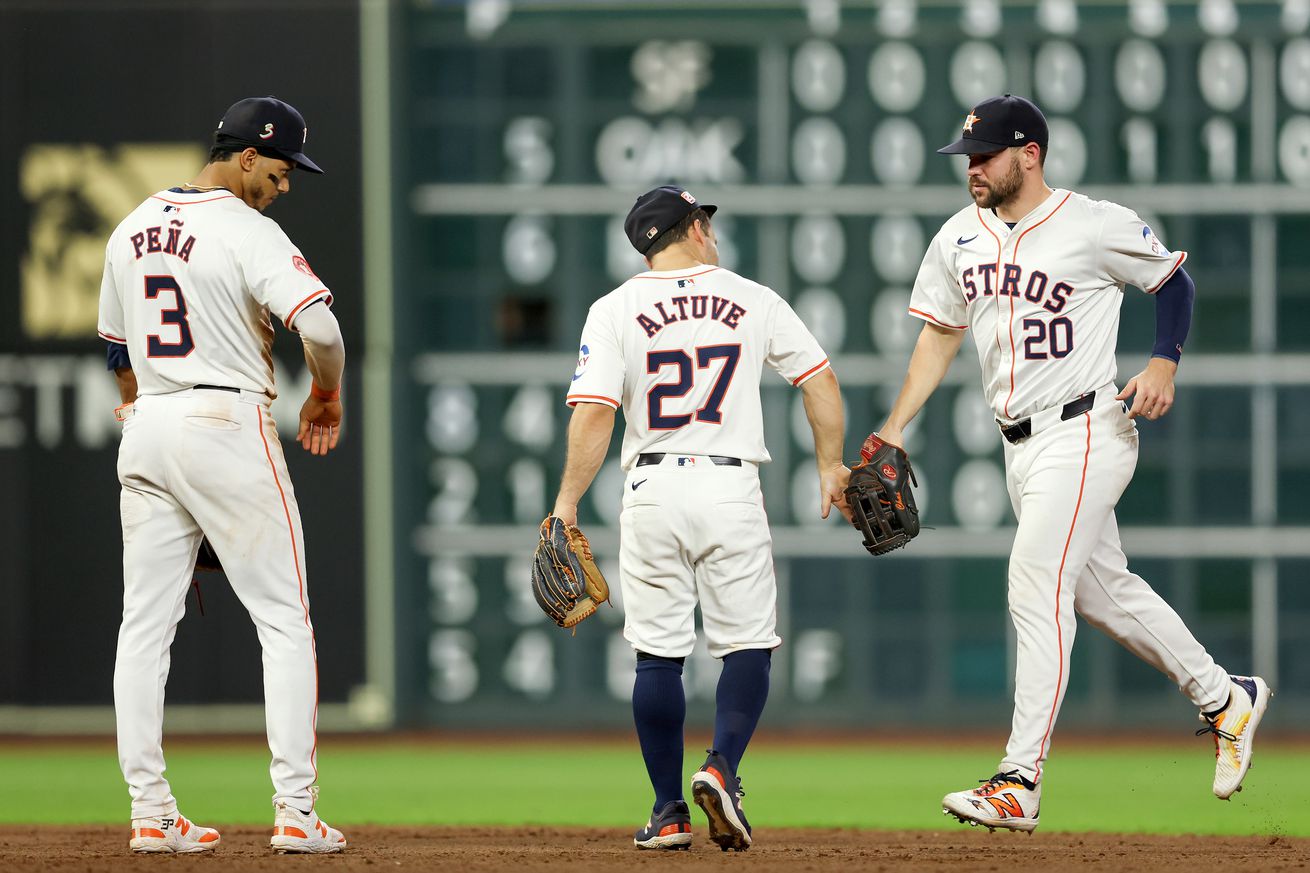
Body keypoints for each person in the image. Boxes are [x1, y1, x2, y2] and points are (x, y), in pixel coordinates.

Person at [876, 94, 1271, 833]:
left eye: (985, 155)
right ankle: (1226, 696)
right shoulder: (959, 237)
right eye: (967, 158)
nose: (973, 170)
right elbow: (938, 335)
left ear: (1030, 154)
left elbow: (1173, 281)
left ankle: (1020, 778)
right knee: (1100, 591)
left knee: (1034, 580)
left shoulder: (1091, 224)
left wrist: (1164, 362)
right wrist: (896, 425)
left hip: (1088, 429)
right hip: (1018, 448)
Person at [554, 186, 850, 851]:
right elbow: (819, 380)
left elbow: (594, 412)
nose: (712, 230)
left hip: (652, 486)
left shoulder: (613, 309)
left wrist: (566, 502)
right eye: (705, 220)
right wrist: (830, 464)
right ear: (691, 227)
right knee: (747, 643)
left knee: (656, 654)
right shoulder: (752, 297)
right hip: (729, 485)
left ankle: (667, 812)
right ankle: (720, 766)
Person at [97, 96, 348, 854]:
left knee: (144, 626)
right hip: (224, 422)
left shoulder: (130, 225)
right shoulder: (246, 229)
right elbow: (324, 329)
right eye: (280, 167)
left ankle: (150, 812)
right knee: (283, 619)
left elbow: (117, 350)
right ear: (246, 156)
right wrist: (327, 396)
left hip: (148, 429)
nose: (286, 184)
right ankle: (296, 812)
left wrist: (142, 416)